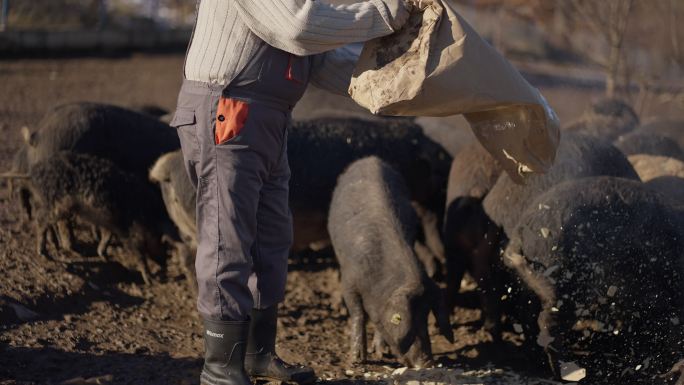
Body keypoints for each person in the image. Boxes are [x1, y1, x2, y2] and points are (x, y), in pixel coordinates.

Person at [170, 1, 413, 384]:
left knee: (272, 238)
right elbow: (298, 27)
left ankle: (257, 354)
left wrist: (402, 68)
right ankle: (220, 369)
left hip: (270, 116)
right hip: (229, 107)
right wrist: (384, 13)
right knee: (227, 240)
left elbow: (324, 61)